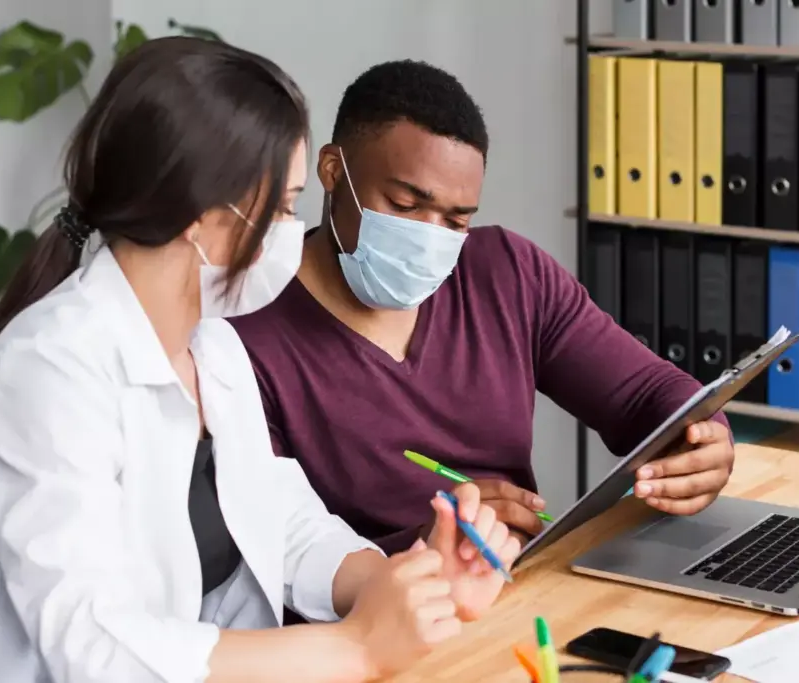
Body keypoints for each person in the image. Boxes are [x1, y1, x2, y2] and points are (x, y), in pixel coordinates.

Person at [0, 41, 518, 683]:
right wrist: (357, 647)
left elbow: (285, 523)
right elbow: (92, 647)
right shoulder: (49, 370)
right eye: (283, 207)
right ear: (201, 216)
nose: (294, 232)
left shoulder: (215, 348)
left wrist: (410, 582)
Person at [230, 59, 734, 555]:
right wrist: (429, 543)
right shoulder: (246, 332)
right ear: (333, 170)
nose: (429, 236)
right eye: (405, 206)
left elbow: (647, 393)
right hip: (378, 617)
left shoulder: (507, 273)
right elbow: (271, 555)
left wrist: (701, 439)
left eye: (455, 221)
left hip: (519, 592)